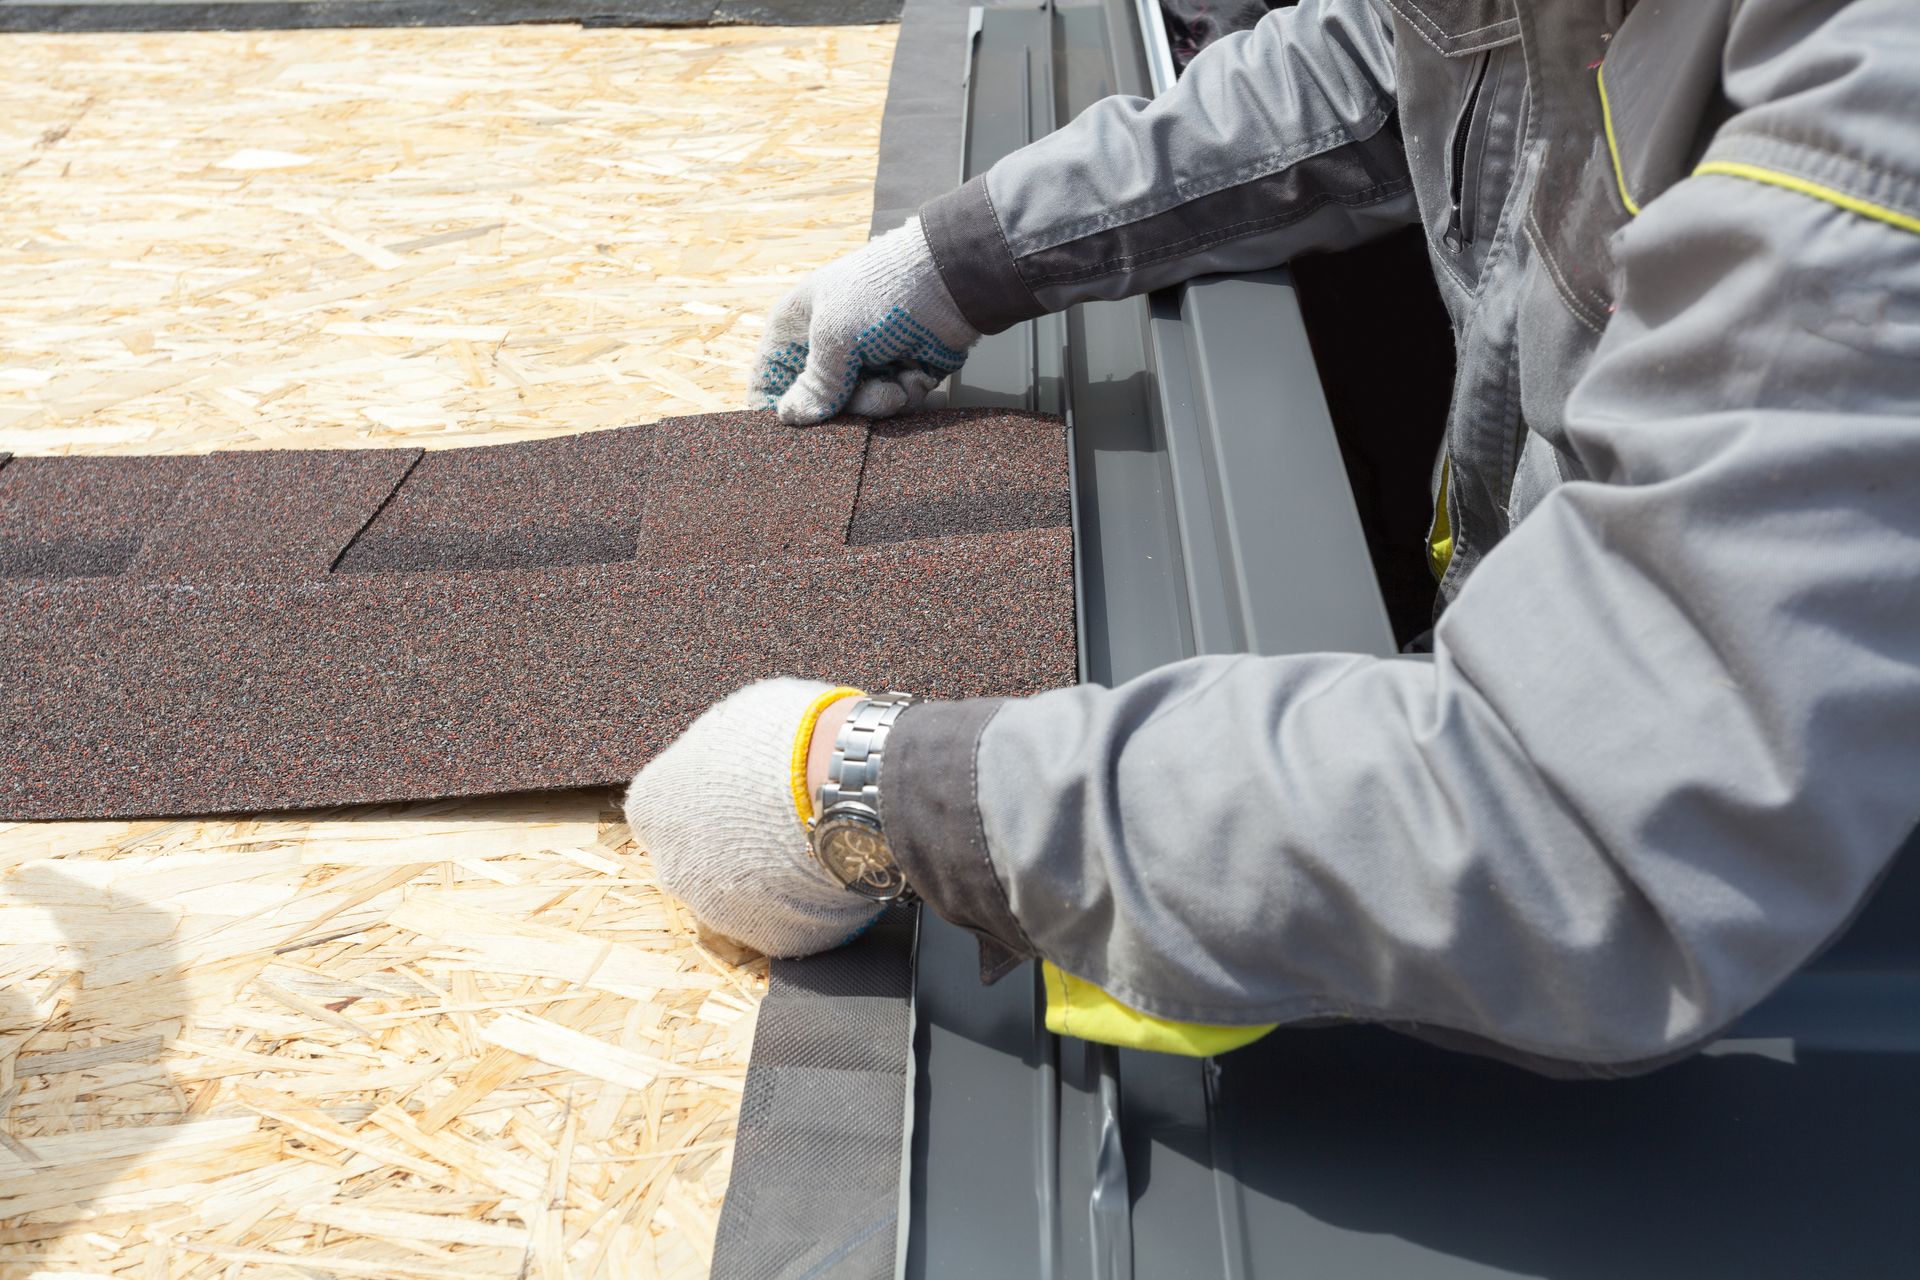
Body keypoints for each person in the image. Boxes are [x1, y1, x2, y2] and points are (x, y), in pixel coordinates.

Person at [625, 0, 1920, 1074]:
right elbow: (1383, 59)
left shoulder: (1877, 96)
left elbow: (1596, 820)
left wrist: (882, 800)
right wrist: (971, 256)